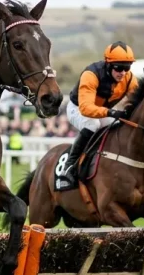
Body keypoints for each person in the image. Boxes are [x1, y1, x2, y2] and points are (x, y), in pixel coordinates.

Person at [59, 41, 139, 187]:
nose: (123, 73)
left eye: (127, 68)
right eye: (119, 67)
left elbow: (139, 101)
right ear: (108, 64)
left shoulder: (129, 79)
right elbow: (86, 109)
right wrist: (111, 112)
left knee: (117, 126)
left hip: (102, 111)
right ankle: (69, 166)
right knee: (92, 124)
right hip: (77, 108)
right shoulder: (91, 75)